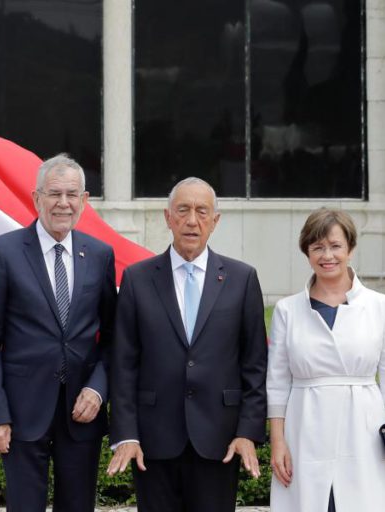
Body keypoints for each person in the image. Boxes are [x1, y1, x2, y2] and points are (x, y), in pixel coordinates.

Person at [106, 177, 268, 512]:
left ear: (215, 221)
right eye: (183, 210)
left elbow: (254, 365)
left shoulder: (242, 279)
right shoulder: (137, 279)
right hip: (153, 442)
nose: (191, 220)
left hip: (219, 440)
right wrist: (126, 434)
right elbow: (123, 364)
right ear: (168, 218)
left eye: (201, 211)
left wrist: (248, 433)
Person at [0, 154, 116, 511]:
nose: (63, 203)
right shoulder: (3, 252)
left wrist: (98, 390)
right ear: (36, 198)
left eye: (72, 195)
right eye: (54, 194)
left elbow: (114, 339)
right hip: (22, 414)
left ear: (84, 201)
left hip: (81, 415)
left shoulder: (100, 255)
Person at [267, 208, 385, 511]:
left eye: (335, 246)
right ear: (306, 252)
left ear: (350, 248)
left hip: (361, 425)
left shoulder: (381, 306)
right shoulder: (288, 310)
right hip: (305, 425)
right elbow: (277, 380)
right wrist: (278, 442)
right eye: (317, 247)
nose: (327, 255)